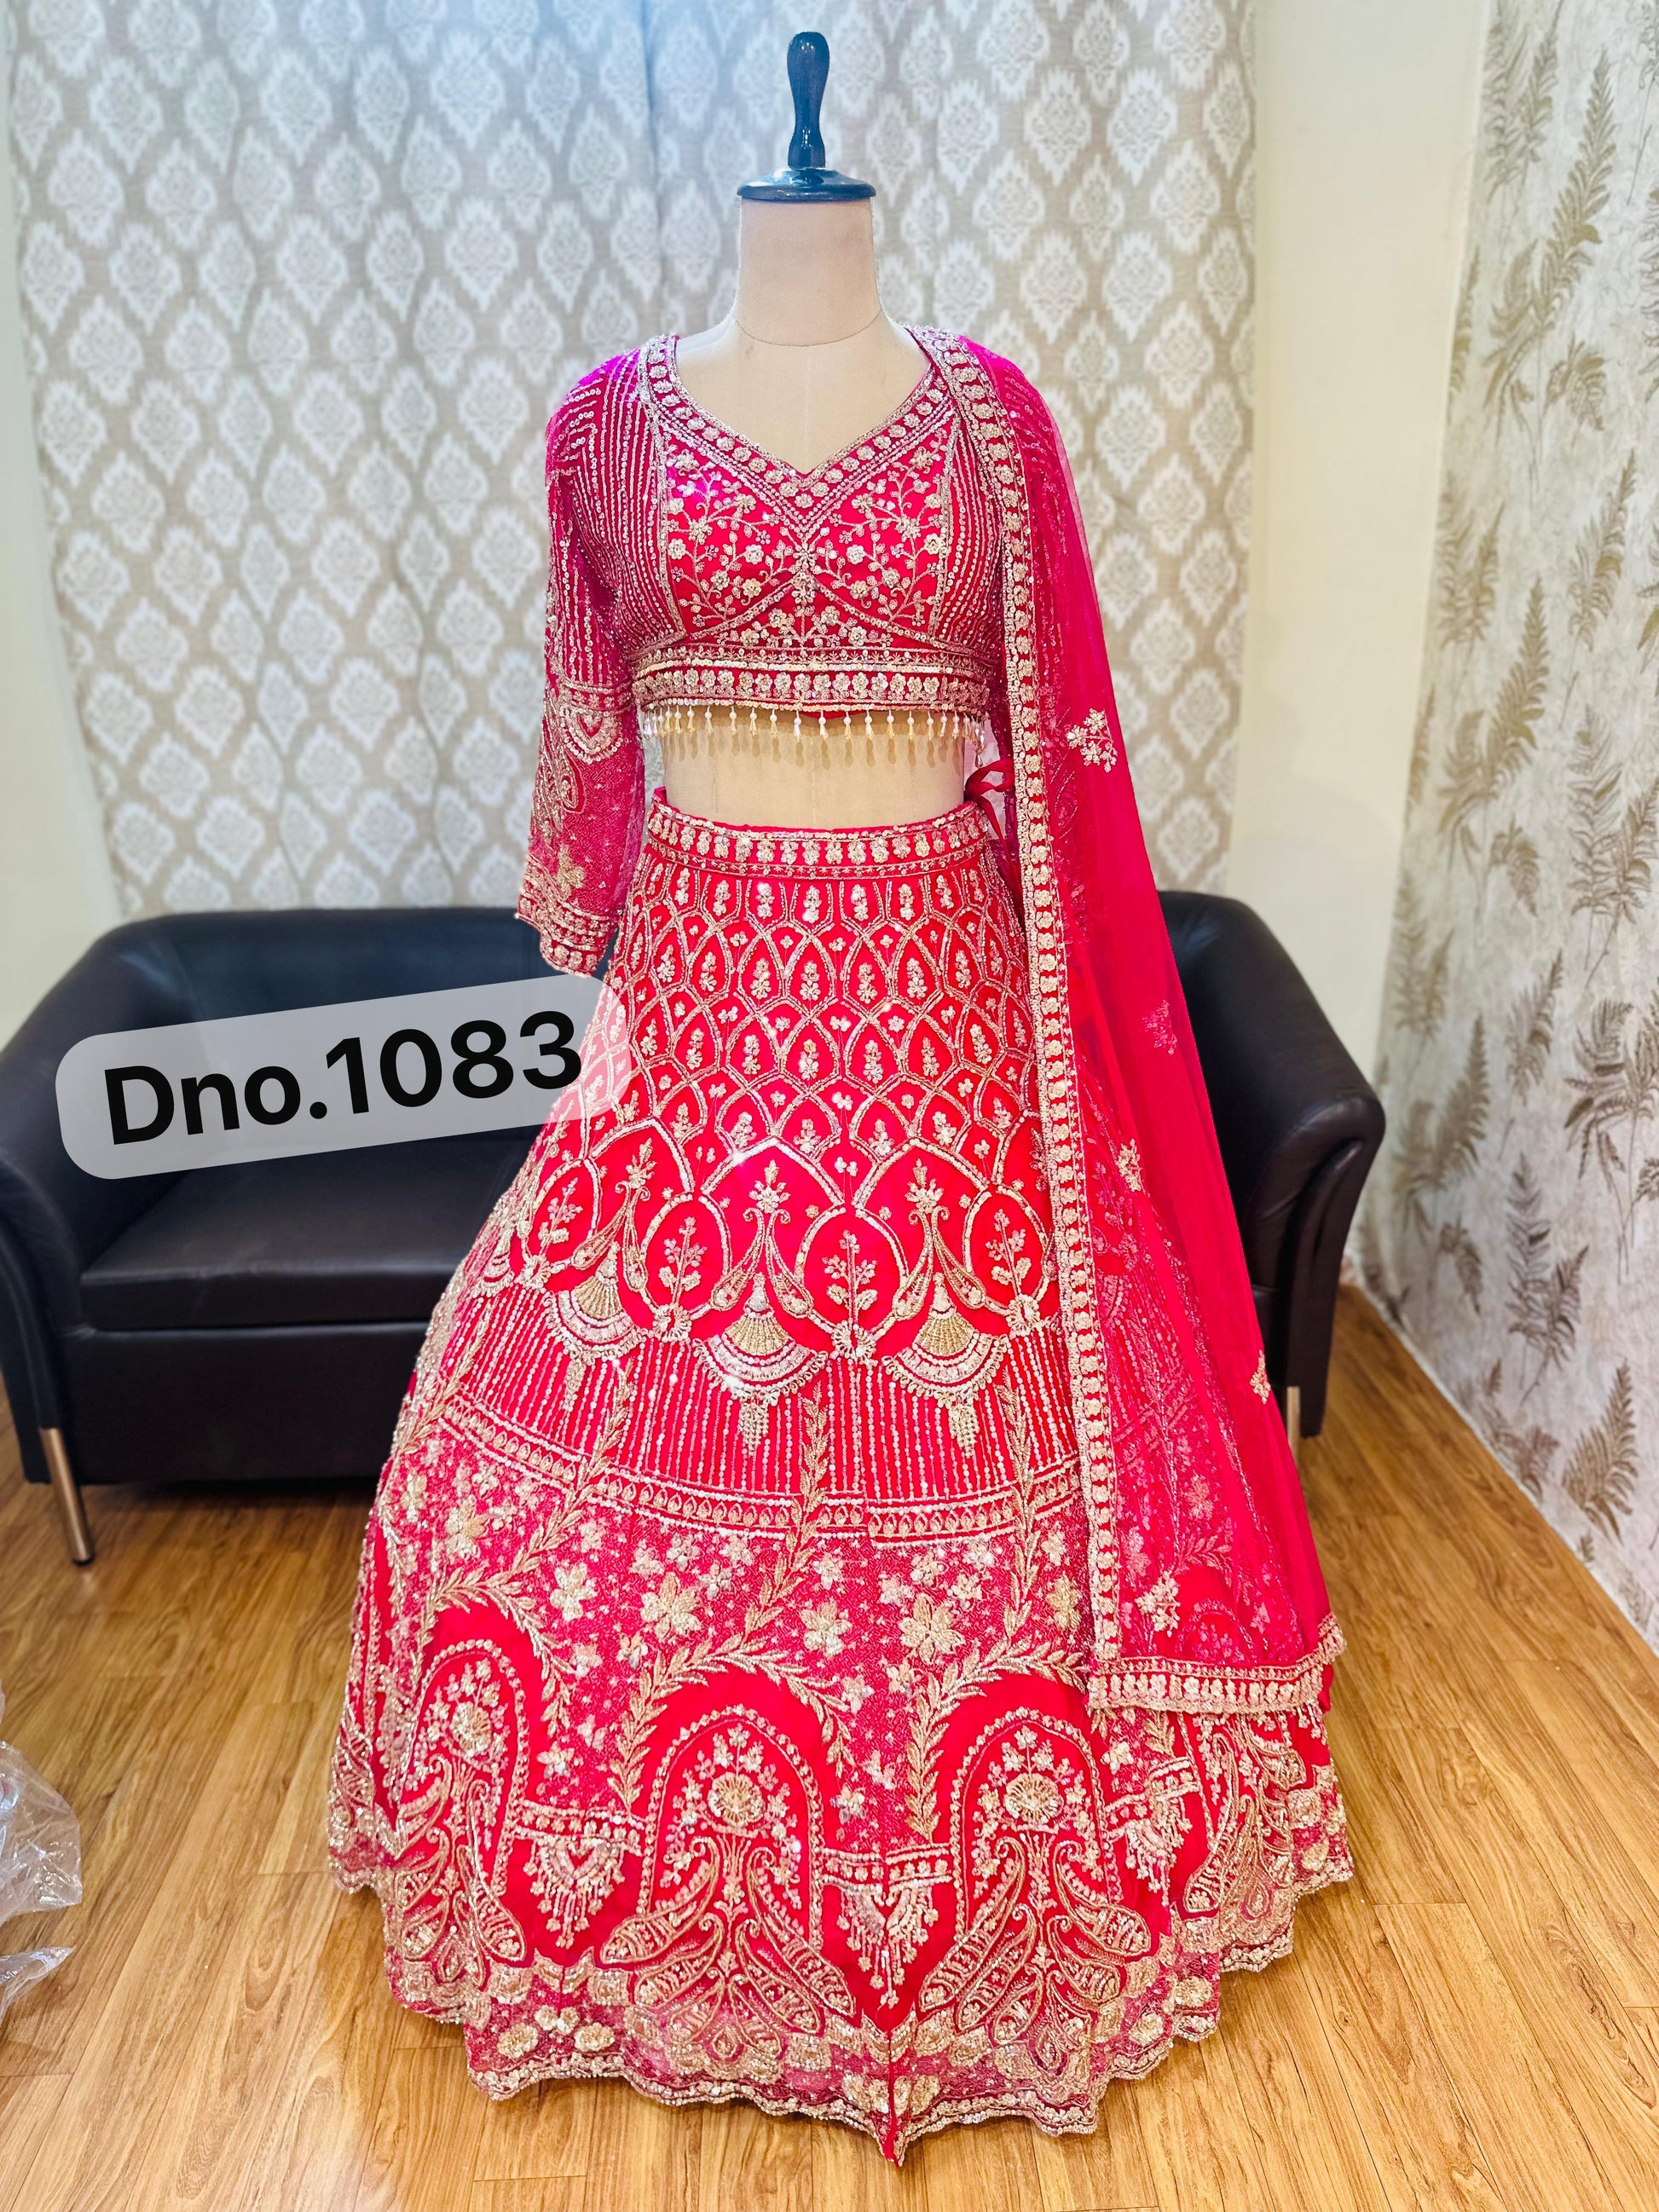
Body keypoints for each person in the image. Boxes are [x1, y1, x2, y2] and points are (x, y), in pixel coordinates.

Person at [329, 71, 1347, 2163]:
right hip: (695, 1004)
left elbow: (1053, 743)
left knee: (999, 1431)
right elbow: (587, 744)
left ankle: (995, 1904)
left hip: (945, 1013)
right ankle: (615, 1894)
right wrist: (589, 974)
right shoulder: (604, 424)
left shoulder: (993, 421)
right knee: (555, 1420)